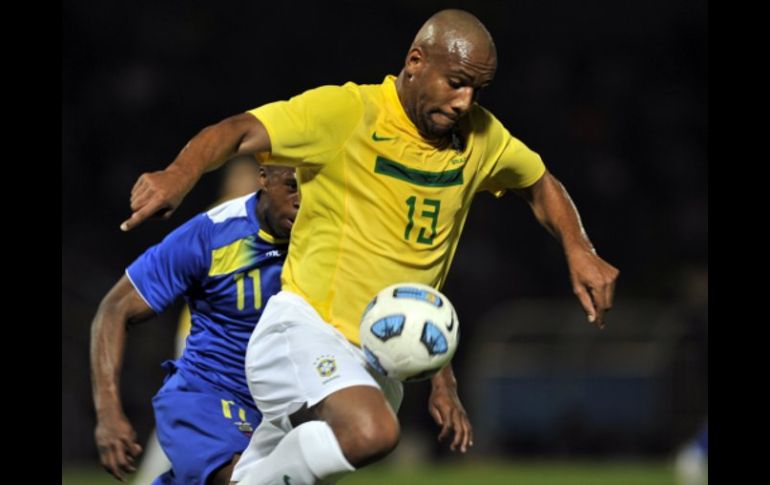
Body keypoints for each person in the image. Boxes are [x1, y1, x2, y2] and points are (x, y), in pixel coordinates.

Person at [120, 9, 620, 485]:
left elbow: (539, 182)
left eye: (477, 88)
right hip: (303, 331)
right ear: (416, 62)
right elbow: (238, 130)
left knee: (284, 466)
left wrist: (578, 248)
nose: (466, 101)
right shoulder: (348, 113)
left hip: (381, 360)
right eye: (456, 82)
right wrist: (178, 174)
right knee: (371, 434)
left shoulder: (482, 138)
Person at [91, 163, 299, 484]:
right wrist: (107, 413)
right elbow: (114, 307)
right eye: (291, 185)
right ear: (263, 179)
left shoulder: (326, 234)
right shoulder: (213, 233)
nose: (301, 199)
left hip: (275, 404)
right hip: (211, 391)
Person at [130, 155, 264, 485]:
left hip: (231, 338)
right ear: (230, 184)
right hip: (202, 337)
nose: (250, 187)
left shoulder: (253, 221)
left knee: (207, 422)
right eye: (244, 180)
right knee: (191, 415)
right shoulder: (223, 223)